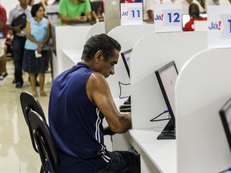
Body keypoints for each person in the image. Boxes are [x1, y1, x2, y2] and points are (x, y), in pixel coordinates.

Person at [48, 34, 140, 173]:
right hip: (90, 165)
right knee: (137, 161)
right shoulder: (95, 79)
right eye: (112, 64)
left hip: (62, 163)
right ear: (99, 56)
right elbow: (119, 125)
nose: (113, 71)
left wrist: (105, 130)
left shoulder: (61, 77)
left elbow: (73, 123)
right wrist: (136, 116)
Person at [23, 3, 50, 97]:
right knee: (32, 71)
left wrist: (42, 45)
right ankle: (34, 90)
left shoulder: (46, 21)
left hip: (43, 48)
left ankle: (42, 90)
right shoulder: (30, 21)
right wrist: (38, 44)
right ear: (35, 12)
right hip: (30, 48)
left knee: (42, 70)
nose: (42, 12)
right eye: (39, 10)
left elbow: (47, 35)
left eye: (43, 10)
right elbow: (28, 35)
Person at [7, 0, 31, 88]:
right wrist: (15, 28)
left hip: (30, 38)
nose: (25, 1)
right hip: (18, 38)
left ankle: (33, 79)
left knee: (31, 59)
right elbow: (8, 25)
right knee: (17, 60)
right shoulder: (13, 11)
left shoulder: (31, 10)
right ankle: (18, 80)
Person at [0, 3, 8, 80]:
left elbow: (1, 25)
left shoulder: (1, 9)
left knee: (1, 54)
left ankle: (3, 72)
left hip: (1, 35)